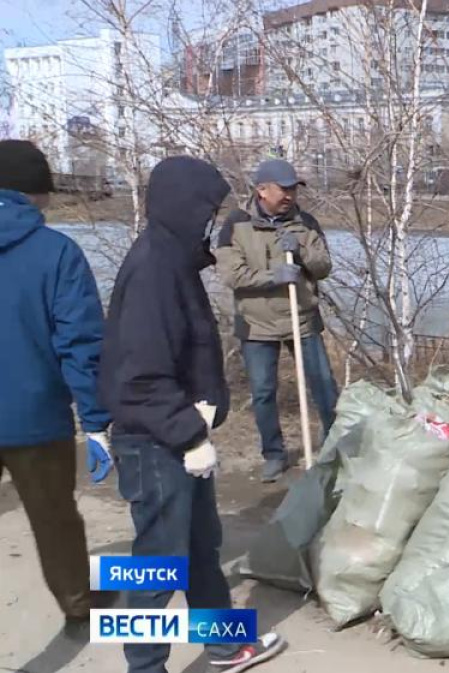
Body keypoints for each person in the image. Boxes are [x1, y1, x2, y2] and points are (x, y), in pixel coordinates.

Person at [99, 156, 285, 673]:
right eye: (208, 210)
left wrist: (196, 427)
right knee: (157, 564)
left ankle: (225, 644)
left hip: (179, 437)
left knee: (203, 546)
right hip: (157, 442)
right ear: (183, 207)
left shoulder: (175, 262)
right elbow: (139, 376)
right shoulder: (153, 271)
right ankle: (145, 666)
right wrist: (187, 434)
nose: (212, 221)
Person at [0, 139, 117, 635]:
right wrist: (96, 422)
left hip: (33, 416)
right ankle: (76, 601)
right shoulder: (58, 253)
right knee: (54, 518)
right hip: (35, 418)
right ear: (36, 193)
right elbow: (81, 344)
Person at [215, 159, 337, 483]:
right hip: (257, 325)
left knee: (323, 385)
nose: (289, 195)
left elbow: (324, 265)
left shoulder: (305, 223)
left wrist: (300, 253)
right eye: (284, 189)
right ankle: (273, 453)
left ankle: (333, 444)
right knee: (263, 391)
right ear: (261, 190)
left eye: (293, 189)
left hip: (302, 318)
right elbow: (230, 274)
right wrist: (273, 276)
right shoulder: (236, 225)